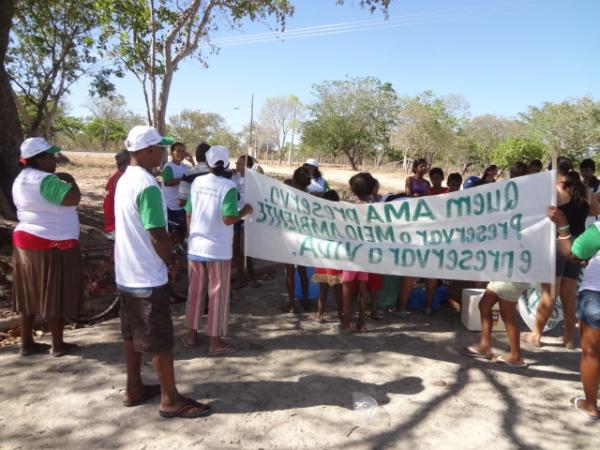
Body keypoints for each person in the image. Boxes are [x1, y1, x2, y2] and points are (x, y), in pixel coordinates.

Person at [115, 125, 210, 418]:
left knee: (131, 335)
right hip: (146, 274)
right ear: (147, 150)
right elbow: (157, 234)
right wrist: (170, 262)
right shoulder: (146, 184)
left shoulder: (124, 179)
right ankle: (170, 399)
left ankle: (134, 387)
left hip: (126, 272)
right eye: (159, 148)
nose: (163, 153)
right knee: (159, 340)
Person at [12, 138, 82, 357]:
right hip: (51, 241)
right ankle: (58, 344)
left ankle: (26, 343)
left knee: (29, 294)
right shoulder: (46, 180)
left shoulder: (21, 178)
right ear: (40, 160)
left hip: (26, 241)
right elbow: (73, 199)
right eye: (52, 157)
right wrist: (70, 180)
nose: (55, 160)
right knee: (54, 293)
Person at [182, 145, 253, 355]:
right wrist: (245, 211)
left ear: (208, 163)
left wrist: (190, 234)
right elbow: (228, 218)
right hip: (218, 250)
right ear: (227, 164)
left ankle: (191, 334)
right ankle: (215, 342)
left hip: (196, 246)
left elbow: (189, 212)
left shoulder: (197, 183)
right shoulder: (228, 187)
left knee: (195, 291)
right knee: (217, 294)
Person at [524, 157, 600, 348]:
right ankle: (568, 339)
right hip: (578, 246)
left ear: (554, 172)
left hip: (557, 244)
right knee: (568, 294)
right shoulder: (585, 190)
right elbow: (595, 210)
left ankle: (536, 335)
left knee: (550, 294)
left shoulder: (553, 192)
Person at [461, 161, 530, 368]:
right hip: (505, 264)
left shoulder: (528, 201)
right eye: (514, 172)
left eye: (520, 172)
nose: (516, 175)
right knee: (485, 304)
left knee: (508, 314)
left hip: (515, 265)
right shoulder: (509, 196)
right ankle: (485, 345)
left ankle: (516, 355)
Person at [549, 205, 600, 420]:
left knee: (592, 352)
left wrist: (562, 225)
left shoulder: (598, 230)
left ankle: (590, 405)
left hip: (596, 295)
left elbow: (571, 253)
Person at [340, 172, 376, 332]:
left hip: (350, 255)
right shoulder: (376, 208)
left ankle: (347, 323)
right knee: (363, 289)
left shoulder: (348, 208)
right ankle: (362, 323)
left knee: (347, 290)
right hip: (366, 255)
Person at [310, 190, 343, 323]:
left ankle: (320, 314)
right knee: (338, 288)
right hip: (336, 256)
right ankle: (341, 315)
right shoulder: (341, 218)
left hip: (323, 255)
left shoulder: (320, 216)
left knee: (323, 288)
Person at [283, 167, 311, 313]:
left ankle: (292, 303)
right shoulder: (306, 193)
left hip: (290, 235)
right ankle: (305, 300)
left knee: (290, 271)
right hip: (301, 235)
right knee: (301, 270)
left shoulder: (289, 185)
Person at [232, 155, 260, 289]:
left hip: (247, 216)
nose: (237, 166)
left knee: (245, 249)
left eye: (241, 164)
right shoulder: (234, 178)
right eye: (237, 163)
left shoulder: (253, 179)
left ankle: (252, 276)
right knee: (236, 249)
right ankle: (240, 278)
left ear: (247, 166)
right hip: (235, 215)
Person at [423, 167, 448, 315]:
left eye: (438, 178)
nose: (436, 180)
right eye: (433, 178)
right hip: (430, 236)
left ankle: (433, 302)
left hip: (445, 236)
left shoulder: (448, 192)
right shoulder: (428, 193)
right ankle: (428, 304)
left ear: (442, 178)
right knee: (431, 270)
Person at [162, 142, 194, 241]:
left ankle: (180, 250)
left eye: (183, 151)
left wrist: (192, 162)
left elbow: (195, 174)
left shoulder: (185, 167)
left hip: (184, 204)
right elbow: (168, 182)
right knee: (173, 233)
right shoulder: (168, 166)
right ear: (172, 153)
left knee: (183, 231)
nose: (181, 153)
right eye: (178, 151)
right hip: (172, 206)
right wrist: (184, 179)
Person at [103, 150, 130, 238]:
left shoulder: (118, 176)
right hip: (117, 225)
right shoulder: (122, 178)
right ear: (127, 161)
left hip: (115, 223)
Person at [178, 142, 210, 208]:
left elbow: (182, 202)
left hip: (195, 215)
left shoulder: (188, 174)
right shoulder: (222, 173)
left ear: (196, 156)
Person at [581, 158, 600, 227]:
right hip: (582, 222)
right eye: (582, 171)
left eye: (587, 171)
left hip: (595, 222)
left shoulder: (598, 185)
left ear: (593, 171)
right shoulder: (579, 185)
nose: (584, 174)